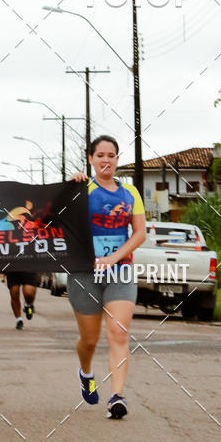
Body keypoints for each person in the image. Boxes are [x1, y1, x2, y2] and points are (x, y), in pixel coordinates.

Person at [70, 136, 146, 420]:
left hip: (120, 270)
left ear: (117, 159)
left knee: (118, 332)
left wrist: (115, 257)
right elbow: (57, 217)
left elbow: (139, 233)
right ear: (90, 159)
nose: (106, 160)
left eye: (111, 155)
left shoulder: (130, 193)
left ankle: (117, 396)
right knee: (89, 340)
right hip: (84, 273)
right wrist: (72, 185)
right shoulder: (81, 190)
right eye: (100, 155)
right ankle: (86, 372)